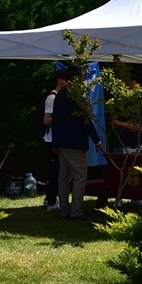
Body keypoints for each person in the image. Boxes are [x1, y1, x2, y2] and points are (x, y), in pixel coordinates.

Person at [52, 67, 105, 220]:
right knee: (80, 177)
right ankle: (76, 212)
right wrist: (97, 141)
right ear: (77, 79)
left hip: (62, 142)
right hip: (75, 142)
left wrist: (55, 143)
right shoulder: (77, 97)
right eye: (81, 78)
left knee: (63, 177)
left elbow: (56, 122)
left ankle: (64, 210)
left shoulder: (60, 96)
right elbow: (86, 121)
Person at [40, 69, 69, 211]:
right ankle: (51, 201)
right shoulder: (53, 97)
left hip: (54, 138)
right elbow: (46, 119)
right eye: (66, 80)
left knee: (56, 170)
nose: (68, 83)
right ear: (59, 80)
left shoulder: (58, 97)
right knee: (56, 171)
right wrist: (62, 119)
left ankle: (49, 199)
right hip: (51, 139)